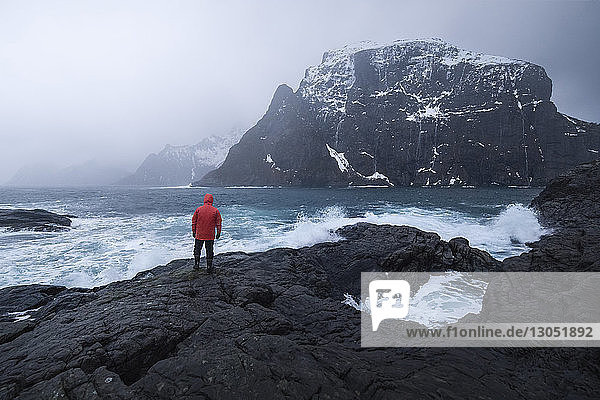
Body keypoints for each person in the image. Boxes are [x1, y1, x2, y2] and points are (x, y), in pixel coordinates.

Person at [192, 193, 222, 272]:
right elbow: (218, 223)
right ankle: (209, 267)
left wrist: (194, 231)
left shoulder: (198, 209)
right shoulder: (215, 210)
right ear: (212, 200)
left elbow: (194, 222)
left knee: (197, 249)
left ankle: (196, 264)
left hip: (199, 234)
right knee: (209, 250)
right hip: (210, 235)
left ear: (204, 200)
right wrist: (218, 233)